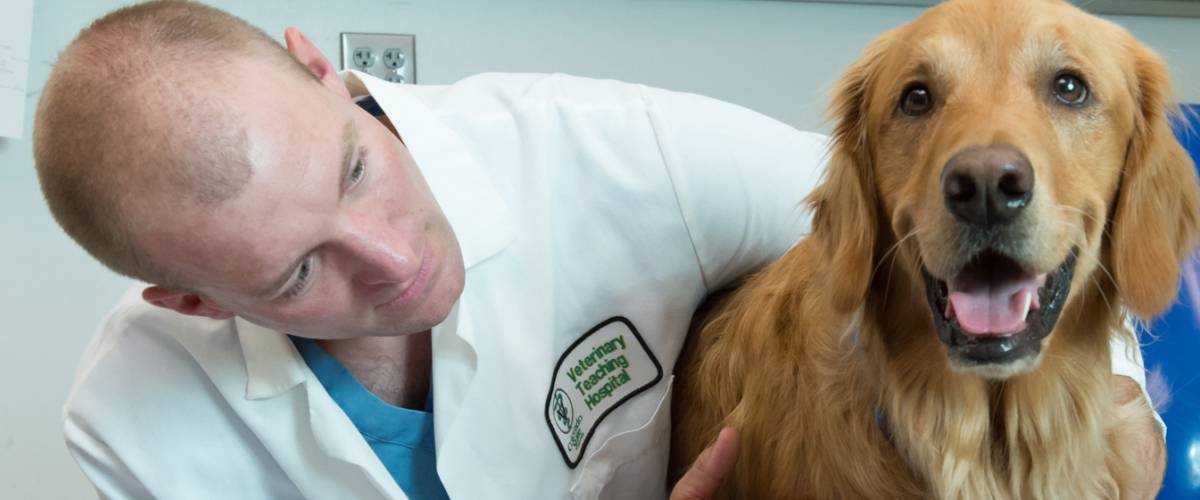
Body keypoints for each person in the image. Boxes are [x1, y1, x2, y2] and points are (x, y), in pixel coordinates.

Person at [33, 1, 1162, 499]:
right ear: (182, 298)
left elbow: (927, 217)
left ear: (317, 64)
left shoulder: (608, 144)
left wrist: (1111, 419)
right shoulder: (137, 419)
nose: (393, 258)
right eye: (295, 273)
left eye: (354, 169)